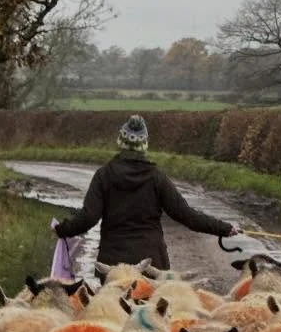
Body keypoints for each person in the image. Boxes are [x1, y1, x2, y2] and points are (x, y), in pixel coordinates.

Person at [50, 115, 240, 270]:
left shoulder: (104, 175)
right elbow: (185, 214)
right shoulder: (156, 177)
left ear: (121, 141)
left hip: (114, 265)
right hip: (152, 264)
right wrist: (222, 228)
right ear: (144, 144)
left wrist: (63, 229)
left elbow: (89, 217)